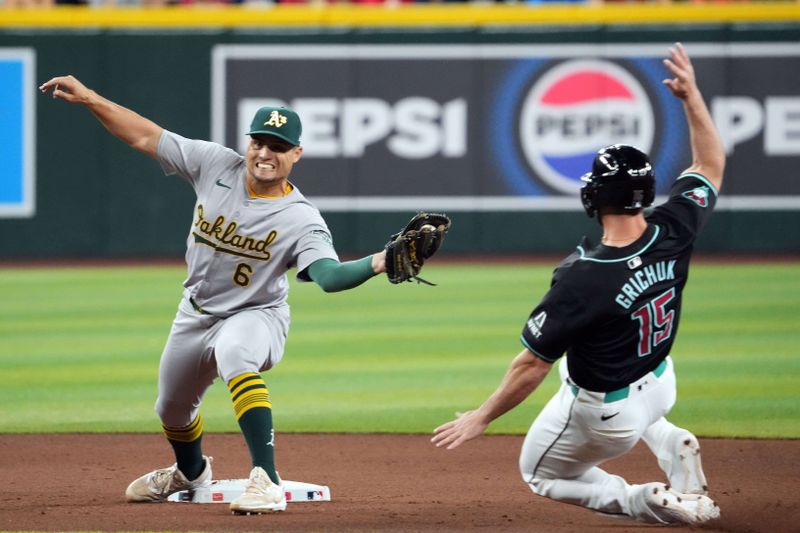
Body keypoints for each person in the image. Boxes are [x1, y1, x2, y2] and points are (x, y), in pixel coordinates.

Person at [39, 75, 392, 514]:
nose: (265, 153)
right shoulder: (214, 164)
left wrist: (379, 262)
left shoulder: (301, 218)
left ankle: (267, 479)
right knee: (171, 408)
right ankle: (189, 471)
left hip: (256, 314)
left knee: (235, 353)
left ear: (296, 154)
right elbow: (146, 135)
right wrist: (91, 97)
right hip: (195, 311)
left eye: (278, 146)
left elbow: (329, 276)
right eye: (259, 142)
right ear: (247, 144)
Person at [431, 42, 725, 525]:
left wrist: (480, 416)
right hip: (661, 382)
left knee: (541, 474)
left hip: (608, 417)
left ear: (593, 197)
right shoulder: (676, 226)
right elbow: (709, 165)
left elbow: (530, 365)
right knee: (583, 359)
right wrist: (692, 97)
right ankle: (670, 442)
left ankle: (641, 498)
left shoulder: (584, 275)